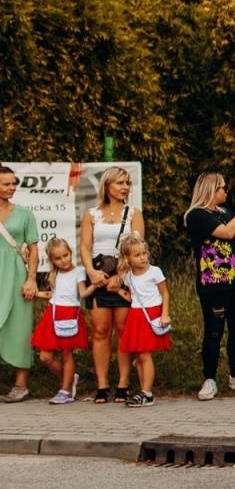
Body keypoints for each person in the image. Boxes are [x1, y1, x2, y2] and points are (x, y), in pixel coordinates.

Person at [183, 173, 235, 401]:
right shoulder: (197, 215)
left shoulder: (226, 212)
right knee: (214, 330)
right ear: (210, 189)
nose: (226, 192)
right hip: (213, 284)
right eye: (223, 188)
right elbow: (226, 233)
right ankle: (209, 378)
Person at [78, 166, 143, 401]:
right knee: (100, 331)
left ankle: (124, 383)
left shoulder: (134, 213)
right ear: (107, 186)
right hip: (98, 275)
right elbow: (85, 247)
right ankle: (103, 385)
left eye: (127, 183)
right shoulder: (92, 214)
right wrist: (91, 273)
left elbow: (137, 247)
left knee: (123, 331)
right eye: (120, 183)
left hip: (124, 275)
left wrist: (121, 275)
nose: (125, 187)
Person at [30, 238, 92, 403]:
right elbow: (54, 294)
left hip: (69, 314)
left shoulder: (79, 271)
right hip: (53, 314)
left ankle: (65, 391)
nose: (63, 260)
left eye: (65, 255)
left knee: (66, 354)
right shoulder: (55, 273)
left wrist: (95, 285)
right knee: (45, 357)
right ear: (52, 260)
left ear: (71, 252)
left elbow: (83, 293)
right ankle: (70, 379)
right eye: (58, 258)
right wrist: (36, 294)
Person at [114, 234, 169, 407]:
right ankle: (144, 391)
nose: (143, 257)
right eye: (137, 255)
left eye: (144, 253)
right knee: (138, 355)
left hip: (151, 313)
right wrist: (119, 292)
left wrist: (164, 314)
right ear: (127, 258)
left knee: (145, 354)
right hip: (136, 315)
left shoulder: (155, 271)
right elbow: (132, 296)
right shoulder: (128, 276)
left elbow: (165, 293)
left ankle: (147, 393)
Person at [0, 165, 40, 402]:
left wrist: (31, 279)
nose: (12, 187)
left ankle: (21, 385)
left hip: (16, 275)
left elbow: (34, 248)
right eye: (6, 183)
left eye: (14, 183)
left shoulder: (24, 214)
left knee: (19, 326)